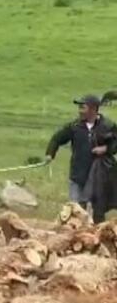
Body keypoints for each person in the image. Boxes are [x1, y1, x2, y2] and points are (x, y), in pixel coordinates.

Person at [44, 94, 117, 222]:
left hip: (100, 176)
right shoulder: (74, 126)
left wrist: (105, 149)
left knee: (98, 210)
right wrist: (50, 154)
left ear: (93, 109)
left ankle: (97, 237)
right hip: (78, 174)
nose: (80, 111)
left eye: (83, 107)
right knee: (75, 209)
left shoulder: (108, 126)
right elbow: (57, 139)